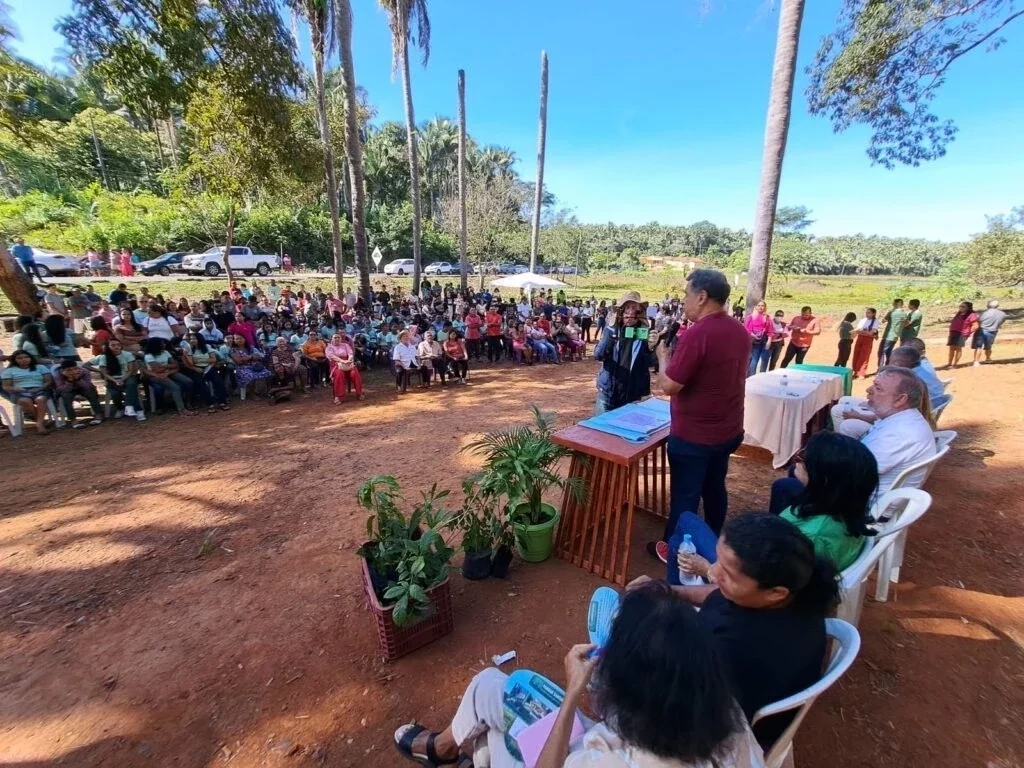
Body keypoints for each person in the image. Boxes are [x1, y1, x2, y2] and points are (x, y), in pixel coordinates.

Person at [393, 581, 765, 768]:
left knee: (490, 690)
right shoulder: (727, 717)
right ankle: (464, 749)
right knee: (495, 696)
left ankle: (444, 749)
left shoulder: (608, 761)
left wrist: (573, 692)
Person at [634, 513, 839, 748]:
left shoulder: (735, 648)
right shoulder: (796, 592)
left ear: (775, 592)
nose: (714, 572)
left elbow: (688, 717)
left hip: (723, 737)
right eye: (718, 561)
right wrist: (666, 590)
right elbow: (717, 594)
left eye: (728, 574)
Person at [653, 269, 750, 551]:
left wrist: (663, 358)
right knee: (714, 486)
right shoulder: (739, 331)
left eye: (686, 294)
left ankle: (673, 549)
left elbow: (669, 386)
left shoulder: (698, 334)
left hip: (694, 436)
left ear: (702, 297)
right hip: (728, 429)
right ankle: (715, 536)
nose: (684, 301)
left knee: (685, 495)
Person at [827, 367, 937, 491]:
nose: (868, 390)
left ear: (900, 399)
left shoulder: (898, 435)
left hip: (865, 503)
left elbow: (852, 473)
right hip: (868, 492)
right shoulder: (902, 419)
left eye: (878, 388)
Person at [593, 290, 654, 414]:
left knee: (626, 431)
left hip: (632, 394)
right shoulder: (611, 330)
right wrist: (611, 332)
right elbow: (599, 355)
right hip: (609, 392)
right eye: (627, 308)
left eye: (634, 308)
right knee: (602, 431)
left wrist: (651, 347)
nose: (630, 312)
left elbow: (649, 363)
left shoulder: (643, 333)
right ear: (620, 311)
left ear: (640, 311)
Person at [85, 338, 146, 421]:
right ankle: (121, 408)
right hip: (112, 378)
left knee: (131, 385)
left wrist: (122, 379)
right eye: (113, 345)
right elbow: (104, 373)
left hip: (127, 376)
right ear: (108, 346)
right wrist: (113, 379)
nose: (116, 347)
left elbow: (130, 371)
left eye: (118, 345)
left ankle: (133, 408)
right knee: (115, 393)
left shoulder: (127, 355)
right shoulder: (103, 357)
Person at [2, 350, 54, 433]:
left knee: (40, 399)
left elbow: (48, 381)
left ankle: (39, 424)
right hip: (19, 392)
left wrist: (39, 388)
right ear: (14, 360)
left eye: (26, 357)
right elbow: (6, 386)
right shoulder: (9, 371)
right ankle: (40, 422)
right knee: (25, 401)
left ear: (31, 358)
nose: (24, 359)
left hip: (39, 389)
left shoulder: (40, 367)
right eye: (19, 358)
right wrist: (15, 389)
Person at [180, 332, 231, 412]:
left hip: (209, 367)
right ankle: (210, 403)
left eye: (194, 339)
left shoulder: (207, 346)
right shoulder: (189, 349)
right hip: (197, 369)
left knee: (218, 381)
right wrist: (189, 357)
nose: (192, 340)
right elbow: (191, 363)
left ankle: (222, 401)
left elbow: (213, 359)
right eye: (191, 339)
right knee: (201, 384)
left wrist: (198, 360)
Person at [143, 338, 194, 416]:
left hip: (169, 372)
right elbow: (157, 370)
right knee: (175, 387)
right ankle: (181, 409)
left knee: (188, 381)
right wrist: (169, 367)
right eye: (162, 344)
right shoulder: (148, 356)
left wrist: (166, 368)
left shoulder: (165, 352)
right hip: (156, 375)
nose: (164, 345)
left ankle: (188, 402)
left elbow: (176, 365)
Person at [50, 360, 104, 428]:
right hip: (67, 389)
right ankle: (73, 420)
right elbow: (62, 389)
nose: (73, 371)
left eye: (75, 368)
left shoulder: (84, 371)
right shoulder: (57, 374)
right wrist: (69, 380)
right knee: (66, 397)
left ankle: (98, 414)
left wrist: (78, 379)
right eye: (69, 370)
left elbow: (88, 386)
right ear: (63, 370)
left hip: (82, 387)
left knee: (91, 392)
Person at [973, 299, 1007, 365]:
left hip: (982, 330)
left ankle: (976, 361)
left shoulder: (985, 313)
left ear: (988, 305)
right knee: (988, 346)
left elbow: (979, 320)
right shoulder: (1002, 314)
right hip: (993, 331)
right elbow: (1002, 321)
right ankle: (988, 358)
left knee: (979, 346)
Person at [945, 301, 978, 368]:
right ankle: (949, 363)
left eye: (963, 306)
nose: (961, 308)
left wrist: (967, 332)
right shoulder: (959, 314)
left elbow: (975, 326)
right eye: (960, 306)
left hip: (961, 334)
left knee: (958, 349)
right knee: (951, 348)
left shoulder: (971, 315)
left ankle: (955, 364)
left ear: (968, 308)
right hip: (953, 333)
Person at [744, 300, 773, 376]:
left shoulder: (767, 317)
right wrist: (753, 335)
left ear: (765, 307)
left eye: (762, 305)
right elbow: (746, 329)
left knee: (765, 359)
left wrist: (769, 341)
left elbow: (770, 330)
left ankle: (762, 376)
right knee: (754, 359)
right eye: (759, 305)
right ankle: (752, 377)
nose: (761, 307)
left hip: (764, 339)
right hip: (755, 340)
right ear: (756, 307)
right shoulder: (751, 317)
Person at [850, 307, 879, 379]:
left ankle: (861, 372)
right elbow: (858, 330)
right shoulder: (863, 320)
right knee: (856, 354)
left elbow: (871, 333)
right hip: (860, 338)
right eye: (866, 312)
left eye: (869, 312)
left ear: (873, 314)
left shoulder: (875, 321)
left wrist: (863, 332)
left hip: (868, 340)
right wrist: (865, 332)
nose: (867, 314)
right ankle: (855, 371)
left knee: (864, 355)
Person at [877, 299, 907, 367]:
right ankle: (888, 366)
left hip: (888, 335)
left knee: (883, 352)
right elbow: (906, 323)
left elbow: (883, 320)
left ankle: (882, 368)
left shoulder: (892, 312)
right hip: (895, 335)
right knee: (889, 352)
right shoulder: (904, 314)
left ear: (896, 304)